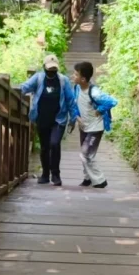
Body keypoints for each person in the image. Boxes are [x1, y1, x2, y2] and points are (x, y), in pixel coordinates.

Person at [19, 54, 79, 186]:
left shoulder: (63, 81)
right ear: (44, 68)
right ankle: (45, 174)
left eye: (54, 69)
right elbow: (25, 87)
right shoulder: (39, 78)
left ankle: (56, 174)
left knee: (54, 144)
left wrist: (73, 118)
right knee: (45, 147)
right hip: (42, 118)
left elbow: (70, 100)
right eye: (49, 69)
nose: (51, 72)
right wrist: (13, 91)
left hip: (59, 119)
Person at [72, 61, 118, 189]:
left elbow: (112, 101)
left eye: (75, 74)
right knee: (86, 154)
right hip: (84, 127)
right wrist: (77, 116)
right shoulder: (76, 88)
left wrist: (100, 109)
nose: (73, 76)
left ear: (83, 79)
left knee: (85, 154)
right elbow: (75, 104)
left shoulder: (94, 92)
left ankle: (100, 180)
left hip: (96, 127)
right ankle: (87, 178)